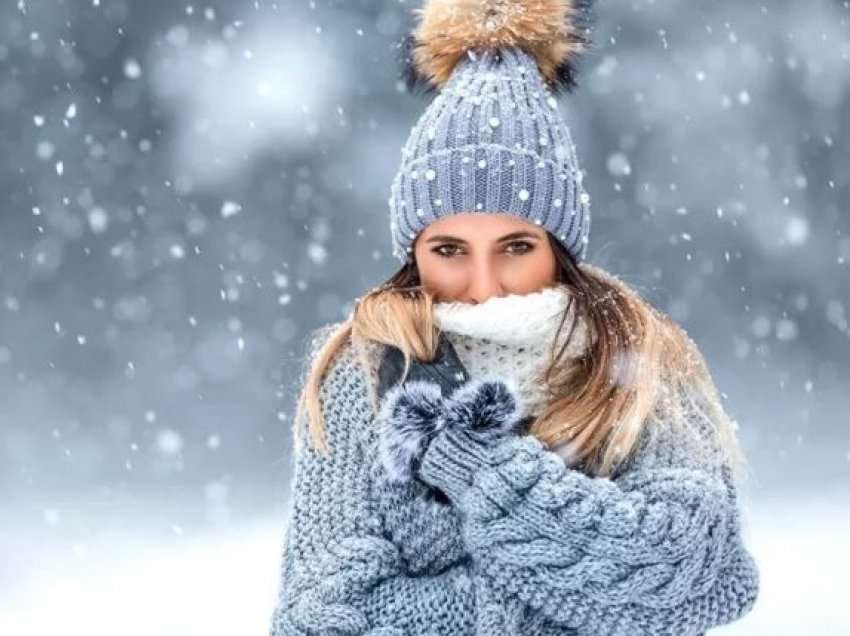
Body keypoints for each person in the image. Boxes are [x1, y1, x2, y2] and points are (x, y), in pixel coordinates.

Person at [268, 1, 761, 634]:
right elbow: (320, 618)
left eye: (516, 248)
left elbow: (694, 572)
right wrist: (580, 606)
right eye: (448, 251)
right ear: (412, 252)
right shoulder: (361, 374)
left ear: (560, 248)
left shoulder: (640, 365)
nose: (483, 286)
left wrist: (476, 466)